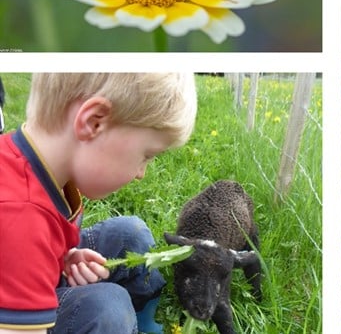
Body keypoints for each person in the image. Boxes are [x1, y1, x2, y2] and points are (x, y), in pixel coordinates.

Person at [0, 73, 198, 334]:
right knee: (108, 310)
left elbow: (28, 247)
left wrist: (62, 259)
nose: (141, 173)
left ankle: (147, 325)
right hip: (14, 321)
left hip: (19, 274)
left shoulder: (44, 168)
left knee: (131, 235)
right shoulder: (19, 214)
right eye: (146, 156)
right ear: (94, 122)